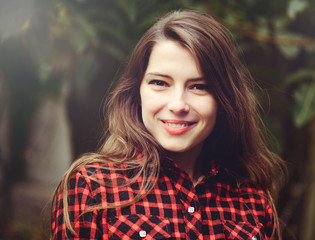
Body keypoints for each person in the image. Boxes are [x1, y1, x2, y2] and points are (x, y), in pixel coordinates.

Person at [52, 9, 285, 240]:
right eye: (160, 83)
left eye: (198, 86)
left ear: (224, 99)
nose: (178, 105)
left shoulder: (253, 199)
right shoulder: (92, 188)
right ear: (137, 91)